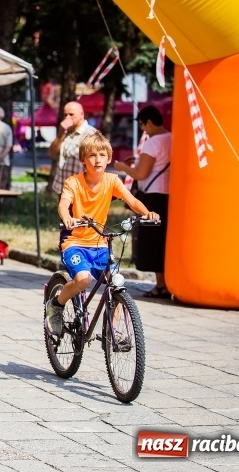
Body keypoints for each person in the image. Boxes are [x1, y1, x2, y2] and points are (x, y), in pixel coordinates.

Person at [45, 132, 159, 334]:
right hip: (75, 242)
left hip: (100, 244)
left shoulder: (112, 181)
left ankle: (113, 332)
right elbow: (63, 205)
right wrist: (67, 218)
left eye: (102, 155)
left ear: (109, 158)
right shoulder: (73, 182)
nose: (97, 159)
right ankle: (56, 304)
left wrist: (147, 213)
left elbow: (132, 201)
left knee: (116, 282)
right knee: (83, 279)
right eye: (92, 155)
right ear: (83, 159)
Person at [113, 106, 171, 298]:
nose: (143, 130)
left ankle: (160, 284)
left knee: (152, 241)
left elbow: (141, 173)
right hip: (169, 194)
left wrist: (122, 166)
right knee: (163, 240)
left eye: (143, 126)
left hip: (153, 195)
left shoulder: (152, 142)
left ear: (149, 122)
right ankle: (167, 283)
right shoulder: (172, 137)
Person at [48, 101, 97, 195]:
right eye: (65, 115)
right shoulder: (66, 133)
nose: (67, 118)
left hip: (81, 190)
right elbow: (52, 154)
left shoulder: (91, 134)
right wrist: (60, 134)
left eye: (71, 114)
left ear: (81, 114)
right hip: (63, 188)